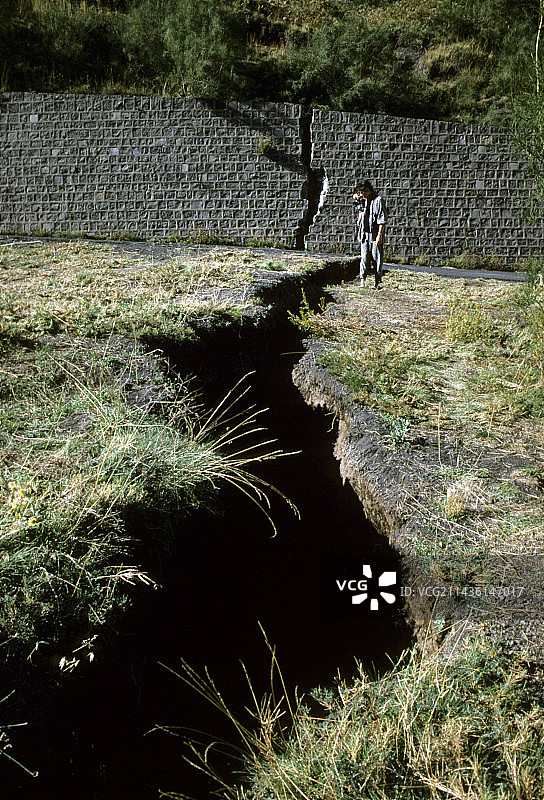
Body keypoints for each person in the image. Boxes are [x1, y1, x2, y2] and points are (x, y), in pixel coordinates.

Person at [353, 180, 387, 288]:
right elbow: (359, 212)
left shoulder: (378, 201)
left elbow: (382, 220)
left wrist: (379, 236)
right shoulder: (363, 201)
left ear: (368, 190)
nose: (361, 195)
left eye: (362, 192)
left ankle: (377, 281)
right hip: (364, 234)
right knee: (364, 258)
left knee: (376, 258)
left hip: (375, 234)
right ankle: (362, 280)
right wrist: (357, 200)